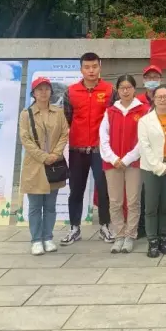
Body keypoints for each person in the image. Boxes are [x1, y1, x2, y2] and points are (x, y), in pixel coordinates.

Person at [60, 52, 116, 245]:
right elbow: (66, 119)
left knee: (104, 189)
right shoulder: (71, 91)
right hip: (77, 149)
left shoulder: (110, 90)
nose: (91, 70)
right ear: (81, 69)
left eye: (94, 66)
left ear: (100, 67)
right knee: (76, 190)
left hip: (101, 150)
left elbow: (113, 120)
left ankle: (105, 227)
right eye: (87, 67)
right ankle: (74, 228)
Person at [19, 77, 69, 255]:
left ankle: (48, 237)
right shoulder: (26, 114)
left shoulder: (58, 112)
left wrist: (55, 154)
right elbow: (25, 139)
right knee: (35, 206)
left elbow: (64, 134)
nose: (43, 92)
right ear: (33, 93)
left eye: (46, 89)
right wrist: (44, 157)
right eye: (39, 89)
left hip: (54, 165)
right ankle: (36, 240)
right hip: (34, 166)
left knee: (50, 205)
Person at [99, 74, 148, 254]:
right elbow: (103, 138)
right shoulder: (110, 111)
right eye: (122, 88)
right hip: (112, 164)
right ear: (117, 90)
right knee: (115, 201)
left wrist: (127, 159)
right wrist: (113, 158)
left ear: (135, 89)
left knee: (133, 201)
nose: (125, 91)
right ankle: (119, 235)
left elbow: (143, 140)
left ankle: (130, 235)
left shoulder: (143, 110)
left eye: (129, 87)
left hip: (134, 163)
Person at [138, 85, 166, 258]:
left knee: (165, 205)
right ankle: (152, 240)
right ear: (154, 99)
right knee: (151, 206)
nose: (163, 99)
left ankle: (164, 237)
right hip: (151, 169)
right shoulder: (145, 121)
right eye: (159, 97)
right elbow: (145, 147)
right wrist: (159, 167)